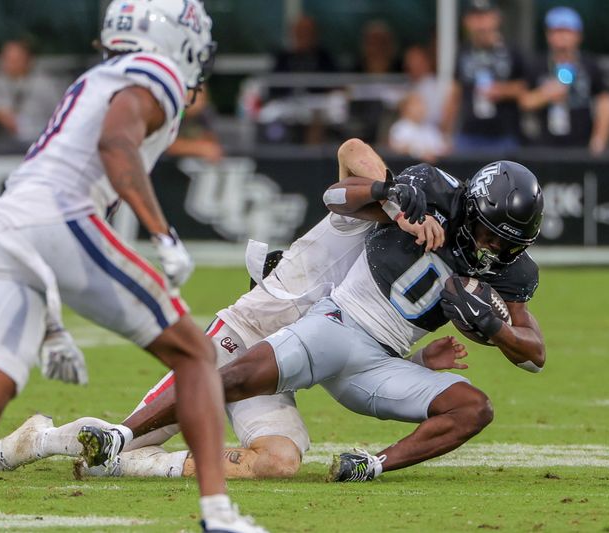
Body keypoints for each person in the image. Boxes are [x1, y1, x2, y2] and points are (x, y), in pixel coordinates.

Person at [0, 139, 466, 481]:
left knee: (279, 461)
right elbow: (351, 148)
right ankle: (37, 441)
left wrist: (415, 364)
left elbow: (351, 353)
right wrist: (394, 195)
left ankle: (124, 465)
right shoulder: (364, 216)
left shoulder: (400, 265)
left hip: (278, 367)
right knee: (133, 432)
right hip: (243, 337)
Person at [76, 157, 547, 482]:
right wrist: (386, 190)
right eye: (491, 234)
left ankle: (372, 466)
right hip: (337, 323)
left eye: (509, 244)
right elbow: (336, 197)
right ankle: (122, 435)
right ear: (472, 208)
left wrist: (498, 331)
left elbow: (534, 355)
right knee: (236, 377)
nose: (495, 250)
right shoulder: (430, 190)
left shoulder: (510, 267)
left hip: (382, 365)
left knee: (475, 408)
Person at [0, 1, 260, 532]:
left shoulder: (103, 74)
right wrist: (162, 232)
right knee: (195, 352)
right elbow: (116, 140)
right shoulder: (154, 70)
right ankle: (219, 515)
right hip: (58, 219)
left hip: (7, 224)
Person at [520, 6, 609, 154]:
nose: (562, 37)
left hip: (581, 145)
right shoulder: (537, 65)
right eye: (557, 31)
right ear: (548, 35)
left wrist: (599, 139)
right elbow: (524, 101)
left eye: (567, 31)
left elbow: (605, 101)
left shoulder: (589, 65)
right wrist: (545, 95)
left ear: (578, 35)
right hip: (543, 146)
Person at [441, 0, 526, 153]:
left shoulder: (512, 51)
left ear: (496, 18)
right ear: (466, 22)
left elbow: (525, 89)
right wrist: (445, 135)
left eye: (485, 16)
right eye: (475, 17)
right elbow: (455, 93)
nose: (481, 23)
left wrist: (501, 90)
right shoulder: (463, 52)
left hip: (504, 136)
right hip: (469, 136)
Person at [0, 39, 62, 145]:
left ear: (28, 60)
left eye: (16, 59)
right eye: (8, 59)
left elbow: (59, 115)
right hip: (4, 145)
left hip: (40, 142)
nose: (11, 63)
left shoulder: (45, 85)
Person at [165, 84, 225, 163]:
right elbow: (168, 146)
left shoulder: (205, 114)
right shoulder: (175, 114)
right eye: (193, 97)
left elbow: (212, 143)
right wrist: (198, 148)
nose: (198, 103)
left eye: (202, 98)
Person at [389, 92, 449, 161]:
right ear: (405, 108)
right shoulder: (400, 128)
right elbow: (397, 147)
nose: (421, 108)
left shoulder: (430, 129)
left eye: (423, 104)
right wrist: (419, 152)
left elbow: (442, 148)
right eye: (416, 104)